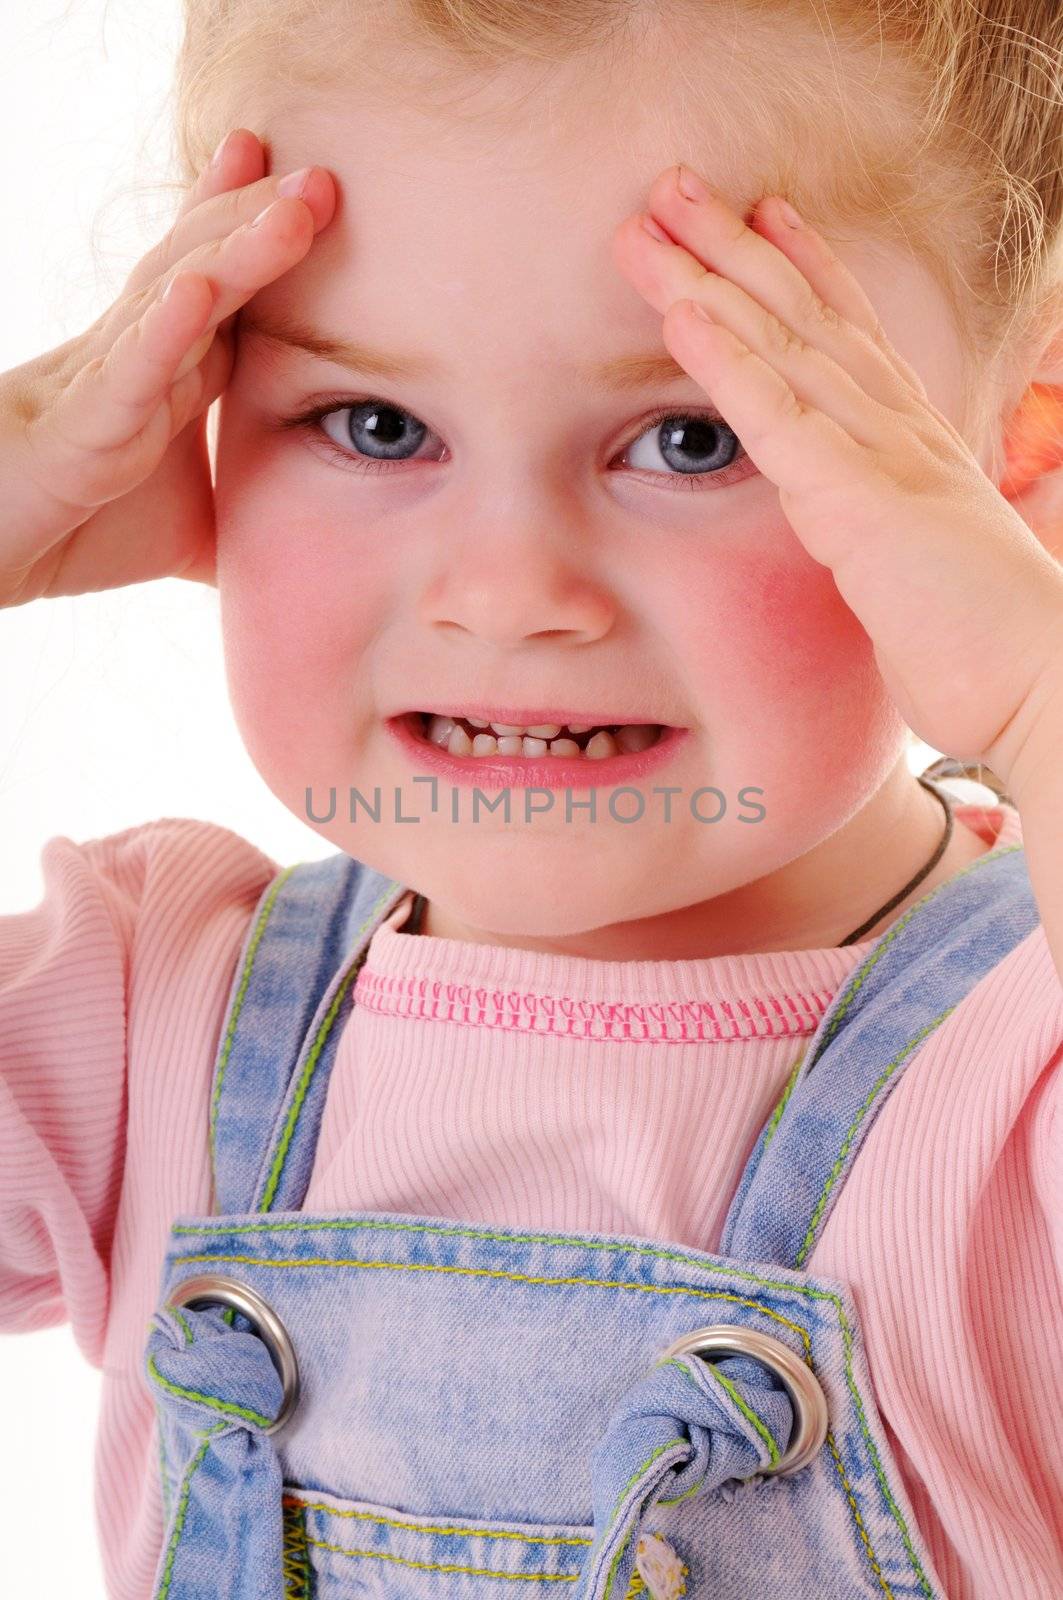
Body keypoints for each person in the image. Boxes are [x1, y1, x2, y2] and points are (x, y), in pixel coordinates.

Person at [1, 3, 1062, 1597]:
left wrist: (1040, 685)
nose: (509, 592)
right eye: (374, 425)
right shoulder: (149, 1019)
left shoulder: (1014, 1079)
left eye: (694, 437)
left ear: (1023, 447)